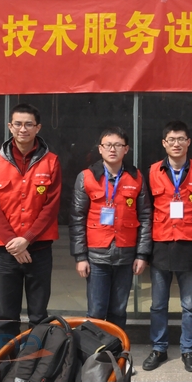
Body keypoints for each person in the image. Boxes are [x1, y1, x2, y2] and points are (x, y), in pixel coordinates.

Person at [142, 121, 192, 373]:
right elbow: (145, 213)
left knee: (190, 305)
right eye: (171, 140)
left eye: (181, 139)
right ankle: (159, 348)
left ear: (188, 142)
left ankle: (188, 349)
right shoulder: (152, 171)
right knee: (158, 304)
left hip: (190, 246)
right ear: (164, 143)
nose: (176, 144)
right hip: (160, 246)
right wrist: (144, 251)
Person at [0, 103, 61, 347]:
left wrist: (27, 239)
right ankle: (7, 363)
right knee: (7, 316)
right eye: (18, 124)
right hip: (6, 251)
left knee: (39, 317)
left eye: (29, 124)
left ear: (38, 128)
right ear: (10, 126)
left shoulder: (51, 162)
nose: (23, 129)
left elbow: (51, 207)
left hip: (39, 250)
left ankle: (34, 363)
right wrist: (13, 242)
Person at [69, 127, 152, 330]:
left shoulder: (136, 177)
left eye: (118, 145)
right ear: (100, 149)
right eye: (108, 145)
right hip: (96, 255)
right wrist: (80, 257)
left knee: (118, 310)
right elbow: (77, 218)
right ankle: (94, 348)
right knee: (96, 310)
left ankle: (116, 347)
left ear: (126, 149)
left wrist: (142, 255)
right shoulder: (86, 177)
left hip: (126, 254)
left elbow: (145, 217)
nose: (112, 149)